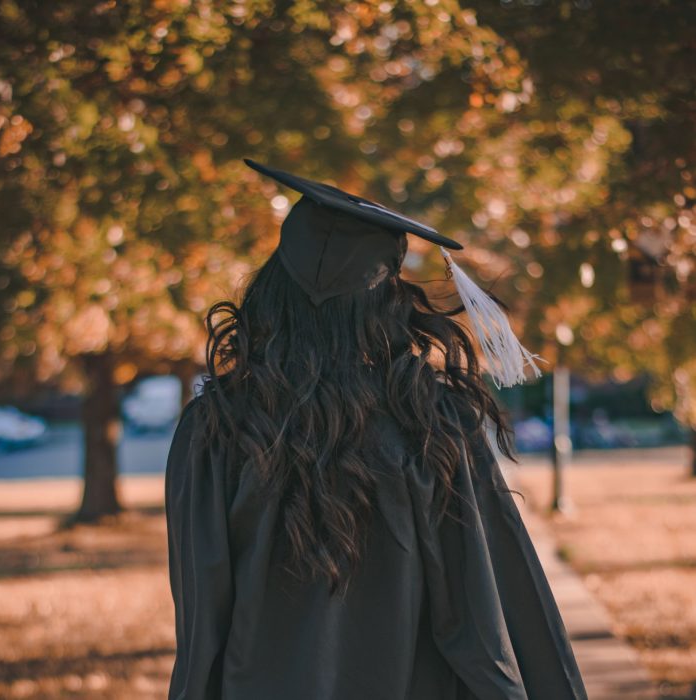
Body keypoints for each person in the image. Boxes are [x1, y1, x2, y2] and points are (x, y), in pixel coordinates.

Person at [165, 159, 588, 699]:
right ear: (386, 301)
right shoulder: (432, 425)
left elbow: (201, 621)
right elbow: (481, 614)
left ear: (271, 293)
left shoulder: (215, 430)